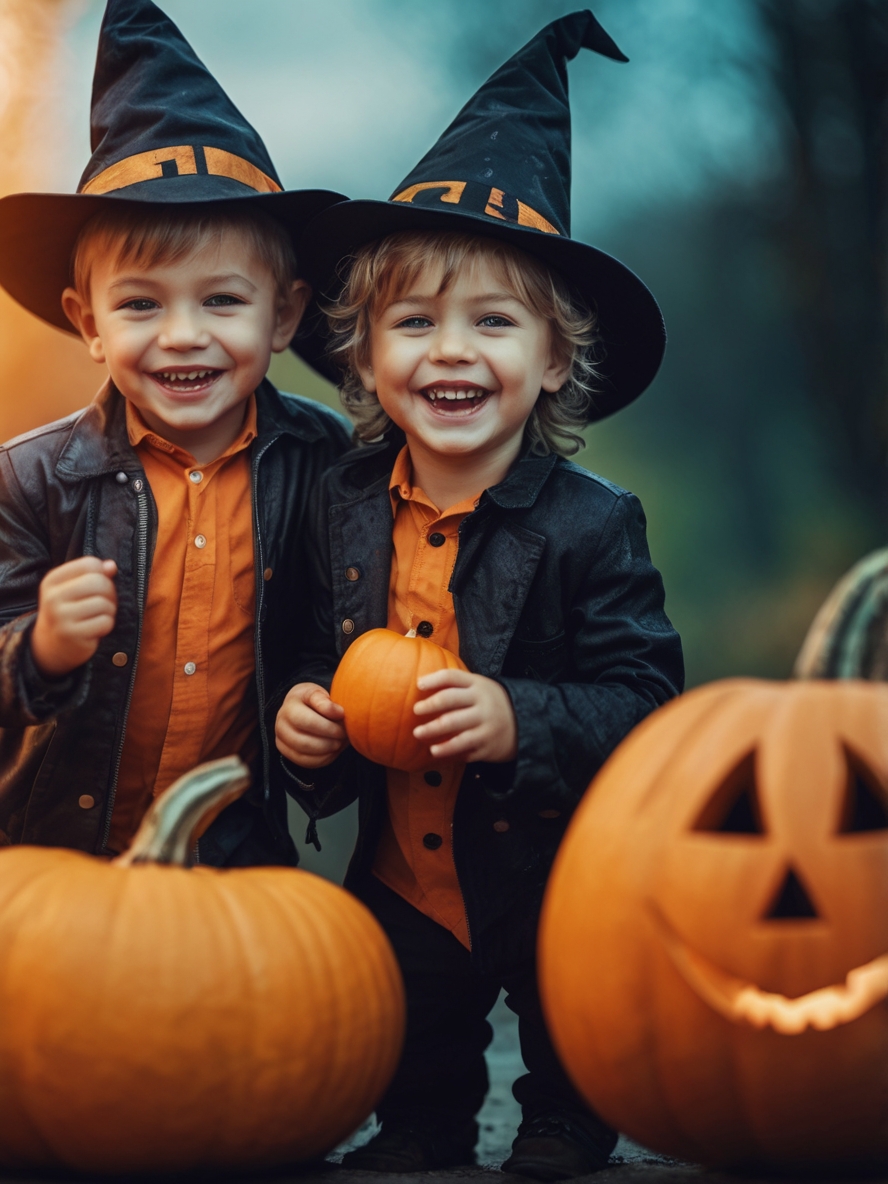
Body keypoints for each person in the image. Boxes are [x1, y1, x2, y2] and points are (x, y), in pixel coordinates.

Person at [275, 11, 684, 1181]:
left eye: (493, 322)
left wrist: (520, 717)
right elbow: (311, 648)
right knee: (412, 998)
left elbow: (648, 697)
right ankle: (421, 1124)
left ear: (555, 359)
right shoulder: (340, 504)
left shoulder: (592, 522)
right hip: (403, 855)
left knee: (561, 987)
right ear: (363, 356)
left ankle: (563, 1115)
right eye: (414, 322)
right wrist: (308, 722)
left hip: (547, 852)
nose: (451, 352)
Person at [0, 0, 349, 865]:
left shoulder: (328, 466)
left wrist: (316, 702)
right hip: (50, 852)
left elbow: (337, 627)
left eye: (222, 300)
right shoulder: (30, 479)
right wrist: (37, 646)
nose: (182, 333)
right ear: (88, 323)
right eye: (141, 304)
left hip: (231, 855)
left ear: (284, 316)